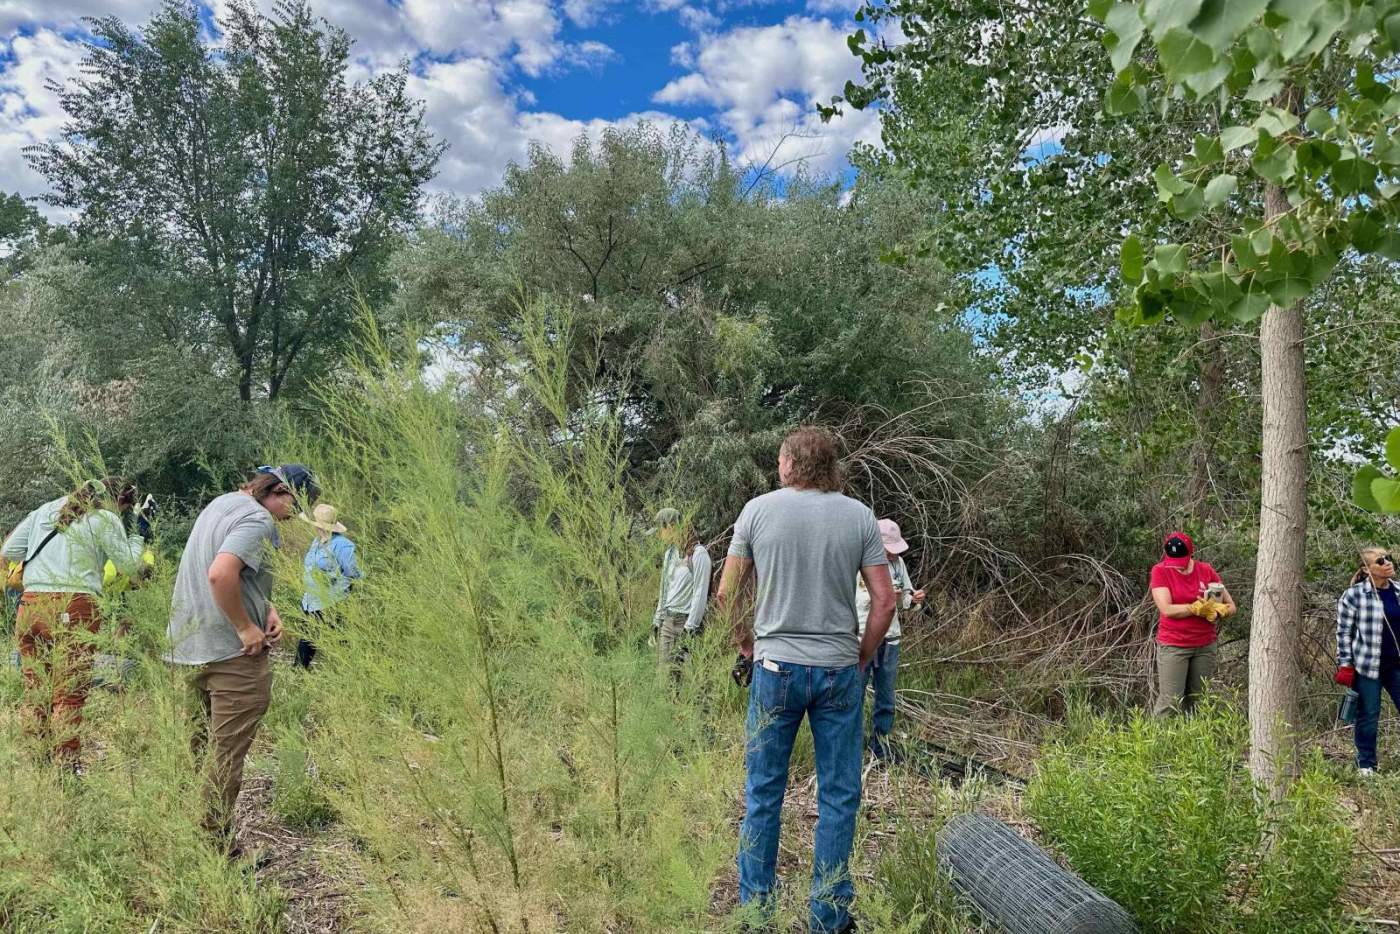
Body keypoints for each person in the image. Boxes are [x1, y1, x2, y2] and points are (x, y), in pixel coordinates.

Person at [717, 427, 896, 934]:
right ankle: (829, 919)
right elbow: (884, 602)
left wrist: (746, 644)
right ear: (830, 467)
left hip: (774, 669)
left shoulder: (756, 511)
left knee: (763, 793)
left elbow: (726, 593)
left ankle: (756, 915)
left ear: (790, 464)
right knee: (839, 796)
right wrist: (860, 656)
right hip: (839, 671)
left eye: (780, 458)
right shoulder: (859, 517)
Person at [166, 464, 318, 850]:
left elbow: (226, 571)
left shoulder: (222, 504)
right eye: (293, 505)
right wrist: (244, 628)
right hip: (229, 653)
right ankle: (215, 849)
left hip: (189, 647)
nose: (289, 516)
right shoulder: (258, 520)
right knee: (226, 753)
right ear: (280, 491)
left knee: (193, 745)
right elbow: (220, 574)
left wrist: (263, 609)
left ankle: (178, 831)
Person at [1, 478, 148, 769]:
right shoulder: (104, 517)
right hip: (73, 604)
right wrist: (138, 534)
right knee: (69, 693)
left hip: (30, 605)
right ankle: (66, 768)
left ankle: (37, 762)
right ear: (119, 502)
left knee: (37, 690)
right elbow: (130, 567)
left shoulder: (45, 510)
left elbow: (10, 551)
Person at [855, 518, 925, 759]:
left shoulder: (899, 563)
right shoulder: (859, 560)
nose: (894, 555)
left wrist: (912, 600)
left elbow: (906, 598)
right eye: (889, 549)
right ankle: (851, 743)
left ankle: (880, 745)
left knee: (886, 695)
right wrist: (883, 597)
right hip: (863, 635)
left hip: (890, 637)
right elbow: (854, 600)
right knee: (856, 691)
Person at [1148, 531, 1236, 715]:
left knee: (1199, 701)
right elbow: (1166, 609)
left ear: (1191, 553)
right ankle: (1160, 742)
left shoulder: (1206, 570)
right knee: (1170, 702)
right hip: (1174, 645)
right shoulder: (1160, 571)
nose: (1178, 566)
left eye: (1181, 560)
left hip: (1204, 645)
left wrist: (1220, 610)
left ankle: (1191, 742)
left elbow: (1231, 606)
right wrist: (1194, 608)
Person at [1335, 547, 1400, 777]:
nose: (1387, 563)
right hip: (1367, 667)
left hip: (1396, 666)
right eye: (1380, 561)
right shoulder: (1354, 595)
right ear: (1367, 569)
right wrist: (1345, 664)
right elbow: (1344, 632)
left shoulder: (1398, 591)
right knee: (1369, 714)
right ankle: (1366, 765)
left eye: (1389, 558)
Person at [296, 502, 362, 669]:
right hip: (311, 601)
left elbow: (354, 574)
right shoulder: (316, 542)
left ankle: (351, 677)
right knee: (306, 644)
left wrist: (332, 582)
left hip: (332, 603)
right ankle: (299, 675)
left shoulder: (343, 545)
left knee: (340, 645)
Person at [649, 507, 711, 678]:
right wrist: (657, 621)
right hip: (668, 622)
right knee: (664, 676)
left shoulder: (699, 555)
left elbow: (700, 594)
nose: (658, 535)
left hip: (687, 623)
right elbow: (665, 590)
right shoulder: (670, 554)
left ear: (671, 526)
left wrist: (690, 628)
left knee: (689, 677)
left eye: (660, 530)